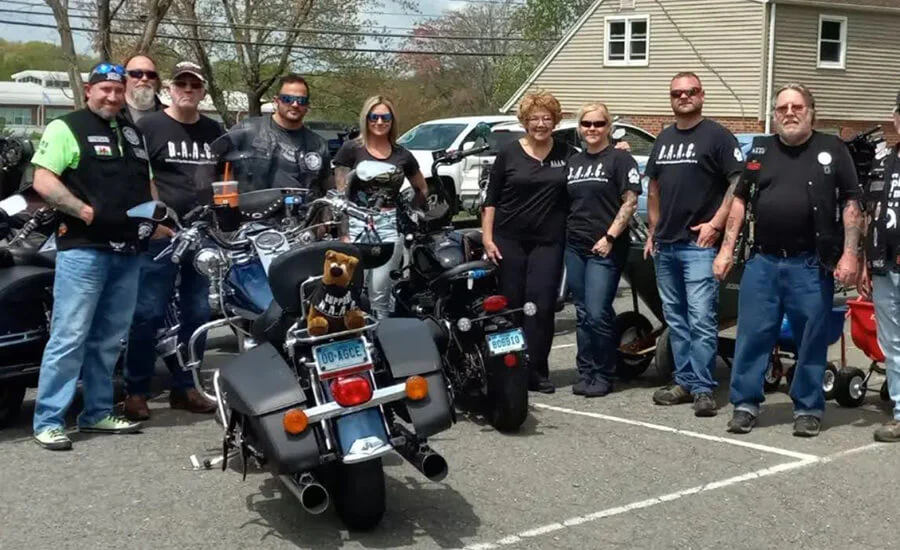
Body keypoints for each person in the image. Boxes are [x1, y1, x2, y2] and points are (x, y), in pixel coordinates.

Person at [715, 83, 863, 437]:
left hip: (811, 264)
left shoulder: (833, 149)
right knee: (752, 336)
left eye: (797, 107)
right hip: (763, 262)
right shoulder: (761, 150)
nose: (789, 113)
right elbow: (740, 200)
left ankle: (808, 408)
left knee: (810, 340)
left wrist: (849, 254)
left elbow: (851, 202)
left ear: (811, 112)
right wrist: (725, 250)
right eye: (782, 108)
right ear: (775, 114)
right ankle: (745, 404)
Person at [29, 62, 160, 450]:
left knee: (109, 340)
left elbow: (148, 185)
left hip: (129, 251)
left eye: (118, 90)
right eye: (105, 89)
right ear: (89, 90)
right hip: (84, 250)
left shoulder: (132, 133)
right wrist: (81, 210)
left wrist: (157, 218)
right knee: (69, 337)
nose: (112, 96)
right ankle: (48, 420)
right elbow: (43, 180)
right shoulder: (66, 127)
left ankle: (97, 412)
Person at [122, 61, 224, 421]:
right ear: (169, 89)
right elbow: (134, 177)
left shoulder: (214, 130)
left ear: (203, 91)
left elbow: (225, 177)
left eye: (194, 85)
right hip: (162, 234)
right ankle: (136, 390)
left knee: (198, 312)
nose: (188, 90)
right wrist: (152, 221)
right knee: (148, 311)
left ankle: (186, 386)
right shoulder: (149, 127)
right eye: (181, 84)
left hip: (204, 233)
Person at [643, 72, 744, 417]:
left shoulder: (717, 136)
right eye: (677, 93)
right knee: (676, 319)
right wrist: (653, 230)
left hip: (698, 245)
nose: (684, 97)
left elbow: (738, 182)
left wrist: (716, 224)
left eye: (691, 91)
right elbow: (653, 187)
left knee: (701, 319)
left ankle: (703, 388)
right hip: (666, 245)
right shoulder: (664, 138)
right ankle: (684, 382)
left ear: (702, 95)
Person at [482, 91, 573, 394]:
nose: (540, 124)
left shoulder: (568, 153)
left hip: (548, 242)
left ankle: (536, 370)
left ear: (555, 121)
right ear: (524, 122)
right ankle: (511, 369)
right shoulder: (509, 154)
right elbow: (491, 200)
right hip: (509, 239)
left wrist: (619, 150)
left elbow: (596, 163)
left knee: (541, 306)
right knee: (512, 305)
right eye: (534, 118)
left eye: (547, 118)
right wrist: (487, 238)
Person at [565, 103, 642, 397]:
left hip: (606, 247)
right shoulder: (574, 162)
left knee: (598, 312)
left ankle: (604, 373)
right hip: (575, 245)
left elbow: (630, 202)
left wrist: (609, 237)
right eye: (586, 124)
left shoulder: (620, 159)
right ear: (579, 128)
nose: (592, 129)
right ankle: (586, 371)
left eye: (598, 123)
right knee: (583, 312)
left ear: (608, 127)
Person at [332, 95, 429, 319]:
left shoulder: (402, 154)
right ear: (366, 119)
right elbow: (340, 195)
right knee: (352, 288)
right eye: (373, 117)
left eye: (385, 117)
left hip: (390, 226)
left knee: (380, 292)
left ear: (392, 120)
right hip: (356, 224)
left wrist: (413, 212)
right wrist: (343, 233)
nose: (379, 122)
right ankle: (355, 334)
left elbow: (422, 188)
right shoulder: (351, 149)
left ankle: (381, 335)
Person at [855, 91, 900, 442]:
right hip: (884, 267)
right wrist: (864, 262)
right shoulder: (883, 161)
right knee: (893, 344)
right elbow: (869, 215)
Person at [227, 73, 331, 195]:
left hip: (304, 206)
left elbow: (327, 189)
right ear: (277, 101)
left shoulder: (318, 144)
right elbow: (220, 171)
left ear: (307, 105)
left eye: (301, 101)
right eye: (288, 99)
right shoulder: (246, 130)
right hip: (255, 206)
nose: (295, 104)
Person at [122, 54, 164, 124]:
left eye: (151, 75)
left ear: (157, 80)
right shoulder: (113, 112)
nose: (144, 78)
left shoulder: (169, 115)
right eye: (137, 74)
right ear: (124, 78)